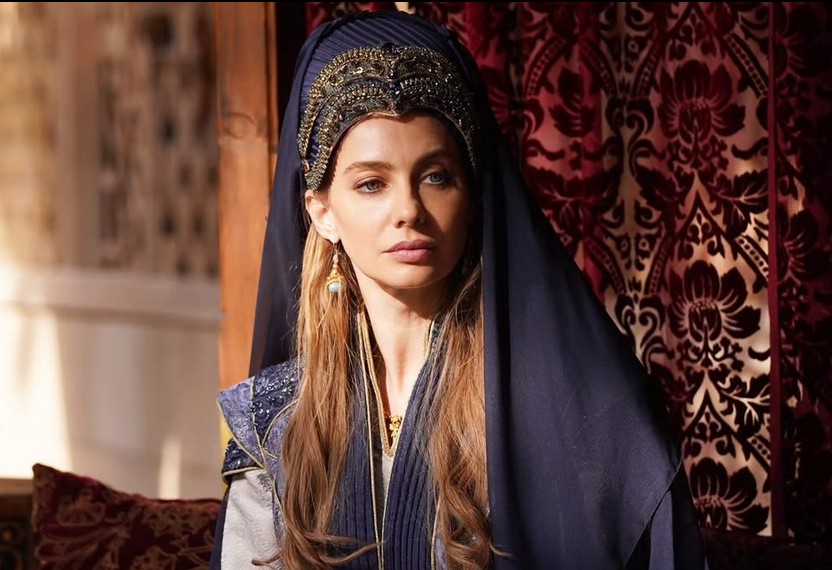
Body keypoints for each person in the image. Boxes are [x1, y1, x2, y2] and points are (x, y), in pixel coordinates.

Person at [210, 10, 708, 570]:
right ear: (322, 212)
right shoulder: (274, 421)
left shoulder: (568, 409)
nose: (409, 210)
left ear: (471, 197)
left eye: (436, 176)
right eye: (372, 184)